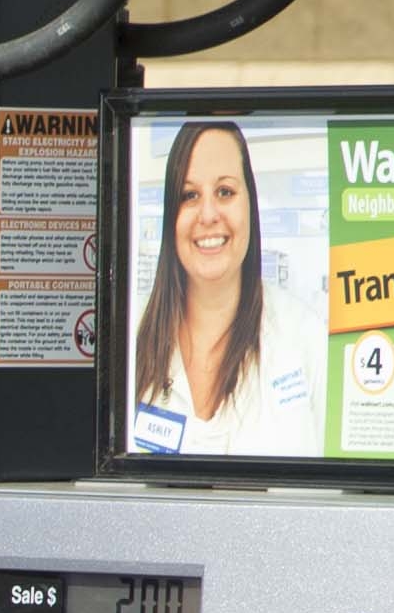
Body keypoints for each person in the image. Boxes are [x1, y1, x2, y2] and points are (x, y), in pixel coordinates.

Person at [128, 114, 314, 456]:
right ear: (171, 214)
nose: (209, 214)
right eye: (189, 195)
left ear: (250, 206)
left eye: (225, 191)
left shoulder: (305, 336)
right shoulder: (127, 335)